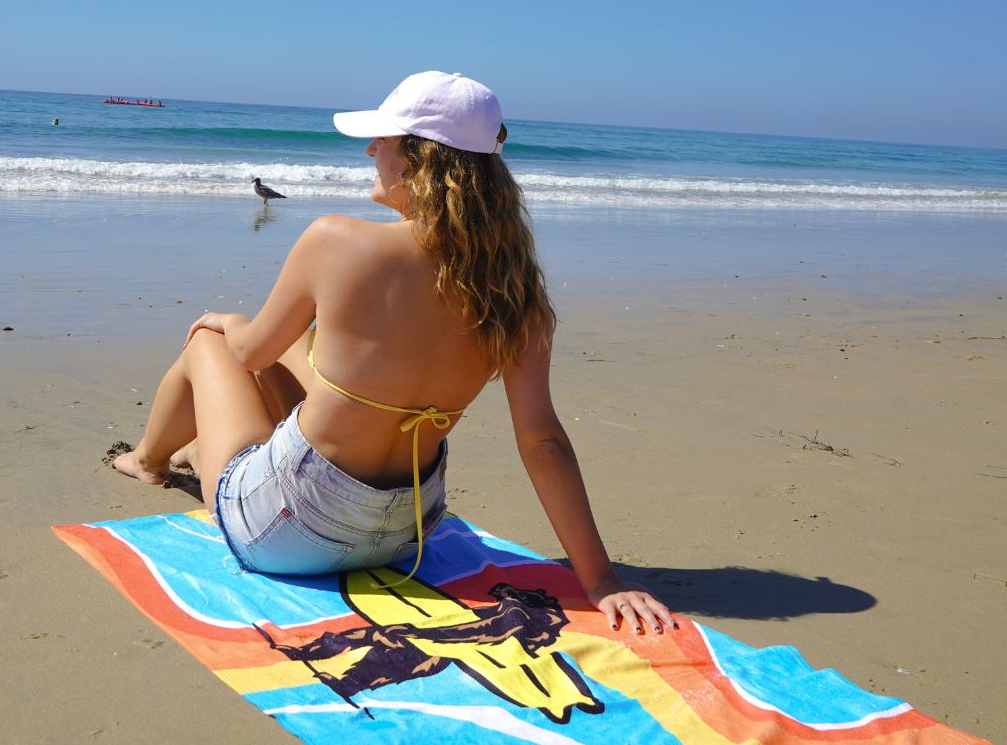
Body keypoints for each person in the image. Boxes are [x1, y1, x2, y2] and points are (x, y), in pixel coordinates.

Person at [113, 71, 674, 636]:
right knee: (304, 360)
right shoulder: (514, 292)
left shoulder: (337, 241)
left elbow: (252, 352)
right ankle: (192, 450)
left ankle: (148, 461)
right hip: (405, 539)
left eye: (384, 138)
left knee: (213, 343)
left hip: (281, 534)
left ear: (420, 158)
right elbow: (542, 440)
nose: (370, 149)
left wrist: (228, 320)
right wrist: (600, 579)